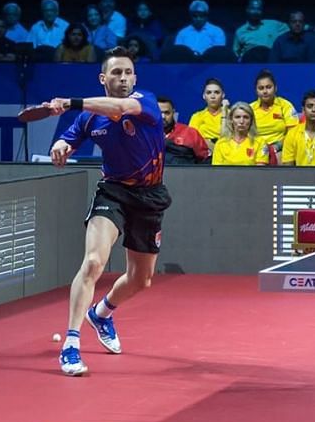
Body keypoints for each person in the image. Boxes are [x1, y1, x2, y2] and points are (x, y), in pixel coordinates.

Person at [45, 46, 172, 375]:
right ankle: (71, 344)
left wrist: (69, 101)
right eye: (116, 72)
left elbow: (119, 108)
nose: (124, 78)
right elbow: (68, 140)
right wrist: (60, 146)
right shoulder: (89, 117)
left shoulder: (145, 102)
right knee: (93, 262)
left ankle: (100, 313)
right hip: (113, 192)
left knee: (141, 279)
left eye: (128, 72)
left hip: (149, 195)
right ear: (103, 78)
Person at [250, 69, 298, 163]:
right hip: (256, 148)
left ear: (275, 88)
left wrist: (277, 147)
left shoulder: (285, 105)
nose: (265, 91)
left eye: (268, 87)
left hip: (280, 148)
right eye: (261, 88)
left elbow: (293, 134)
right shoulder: (250, 108)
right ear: (256, 90)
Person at [211, 101, 269, 166]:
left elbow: (260, 171)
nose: (241, 121)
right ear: (231, 120)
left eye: (246, 117)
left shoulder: (260, 142)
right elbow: (217, 171)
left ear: (251, 120)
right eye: (237, 117)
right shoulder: (220, 143)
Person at [158, 96, 209, 165]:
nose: (163, 117)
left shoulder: (190, 133)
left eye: (167, 113)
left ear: (173, 113)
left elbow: (205, 159)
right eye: (158, 112)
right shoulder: (144, 135)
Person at [188, 78, 230, 150]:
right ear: (204, 96)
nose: (213, 96)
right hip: (204, 155)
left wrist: (224, 113)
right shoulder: (197, 117)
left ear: (223, 95)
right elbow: (192, 140)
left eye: (216, 92)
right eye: (209, 93)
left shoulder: (232, 115)